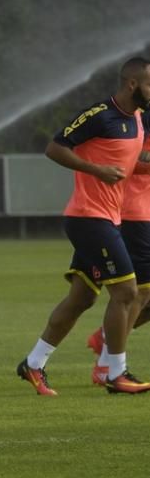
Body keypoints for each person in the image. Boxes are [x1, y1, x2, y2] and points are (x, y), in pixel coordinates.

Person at [17, 56, 150, 396]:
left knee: (82, 298)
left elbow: (129, 164)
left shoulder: (136, 118)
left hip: (110, 218)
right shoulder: (99, 114)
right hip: (88, 217)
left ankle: (33, 364)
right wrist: (96, 170)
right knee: (126, 291)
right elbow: (54, 148)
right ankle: (115, 373)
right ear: (132, 84)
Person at [87, 122, 150, 384]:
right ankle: (105, 366)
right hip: (135, 213)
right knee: (141, 290)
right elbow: (128, 160)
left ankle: (105, 335)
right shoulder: (141, 118)